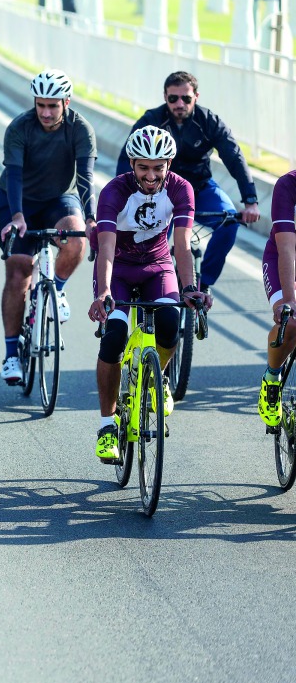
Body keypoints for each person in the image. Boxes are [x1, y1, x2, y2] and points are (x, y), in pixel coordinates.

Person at [89, 126, 211, 462]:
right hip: (118, 270)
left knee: (171, 323)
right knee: (113, 337)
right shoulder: (114, 191)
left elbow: (182, 245)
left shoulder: (181, 189)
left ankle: (159, 377)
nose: (151, 175)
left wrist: (189, 288)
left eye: (159, 167)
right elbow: (106, 248)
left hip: (157, 266)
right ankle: (107, 425)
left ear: (169, 164)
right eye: (143, 167)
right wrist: (104, 292)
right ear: (132, 163)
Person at [115, 70, 261, 291]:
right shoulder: (151, 120)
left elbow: (234, 157)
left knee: (229, 223)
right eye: (173, 98)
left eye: (186, 98)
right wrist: (124, 199)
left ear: (196, 97)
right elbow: (127, 160)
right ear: (165, 97)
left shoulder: (209, 121)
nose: (179, 104)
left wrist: (250, 200)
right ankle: (151, 282)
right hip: (158, 193)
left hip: (200, 188)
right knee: (150, 241)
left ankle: (203, 285)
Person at [0, 69, 96, 384]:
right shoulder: (20, 127)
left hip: (57, 199)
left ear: (67, 102)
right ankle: (11, 355)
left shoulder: (80, 128)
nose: (47, 112)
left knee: (76, 239)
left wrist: (91, 218)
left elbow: (86, 176)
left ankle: (56, 291)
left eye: (53, 105)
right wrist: (17, 215)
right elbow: (14, 174)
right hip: (16, 202)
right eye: (41, 105)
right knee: (19, 271)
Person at [257, 169, 296, 428]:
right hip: (283, 260)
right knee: (290, 322)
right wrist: (290, 300)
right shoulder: (288, 185)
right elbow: (286, 248)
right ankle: (272, 378)